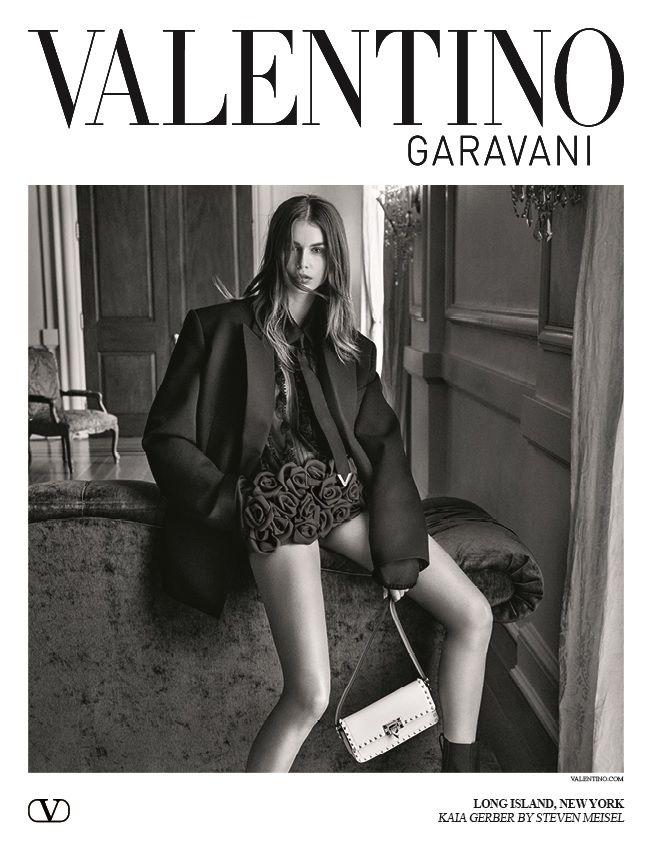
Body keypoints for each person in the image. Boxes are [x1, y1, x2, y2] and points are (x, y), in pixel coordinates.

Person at [143, 194, 493, 773]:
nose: (303, 263)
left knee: (474, 615)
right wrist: (235, 501)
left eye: (318, 250)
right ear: (275, 250)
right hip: (271, 509)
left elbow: (384, 448)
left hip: (338, 501)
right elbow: (165, 437)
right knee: (310, 695)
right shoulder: (216, 328)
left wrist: (398, 552)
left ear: (334, 260)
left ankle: (461, 791)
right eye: (293, 247)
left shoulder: (352, 350)